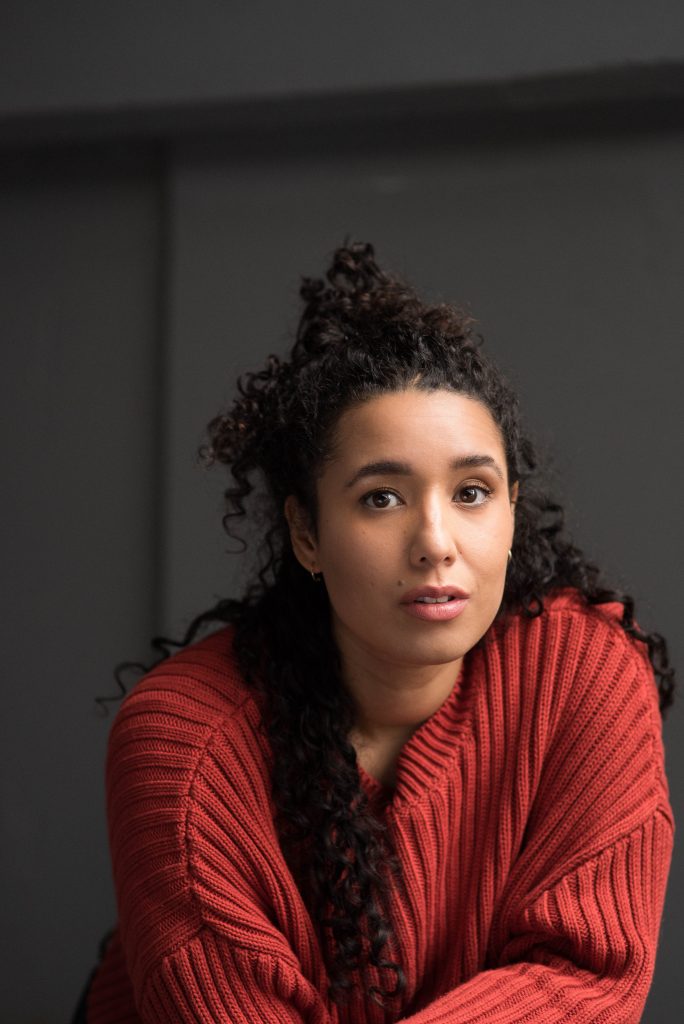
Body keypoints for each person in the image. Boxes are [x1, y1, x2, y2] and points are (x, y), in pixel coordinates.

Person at [84, 242, 674, 1023]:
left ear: (510, 515)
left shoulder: (585, 673)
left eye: (471, 492)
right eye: (381, 499)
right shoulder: (185, 747)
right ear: (306, 533)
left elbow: (588, 976)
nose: (436, 541)